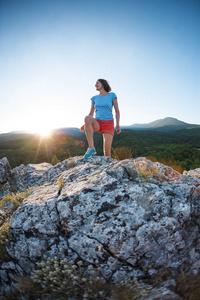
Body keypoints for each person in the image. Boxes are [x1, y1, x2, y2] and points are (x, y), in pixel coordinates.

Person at [80, 79, 121, 158]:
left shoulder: (112, 95)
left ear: (103, 84)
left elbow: (117, 111)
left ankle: (108, 168)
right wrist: (86, 123)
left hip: (108, 123)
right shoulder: (94, 98)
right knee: (87, 118)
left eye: (97, 83)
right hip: (98, 123)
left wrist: (118, 124)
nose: (95, 85)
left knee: (107, 150)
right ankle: (91, 148)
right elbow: (91, 113)